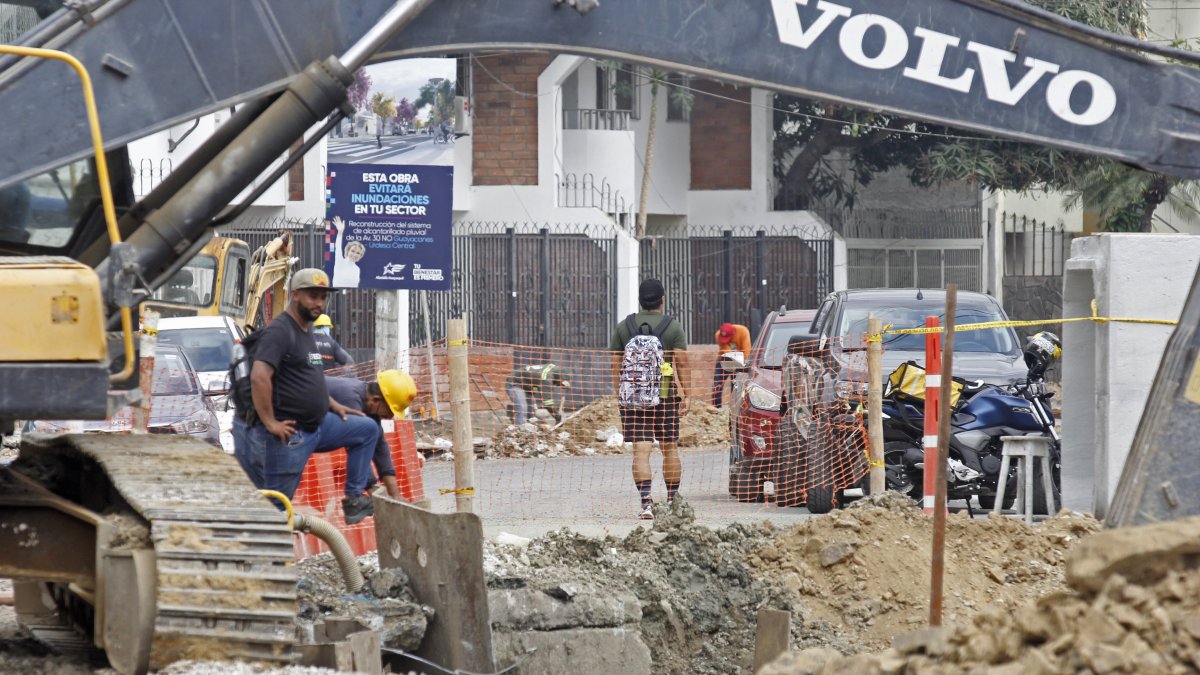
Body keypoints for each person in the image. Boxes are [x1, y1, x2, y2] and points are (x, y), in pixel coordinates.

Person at [235, 268, 381, 524]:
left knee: (367, 429)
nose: (319, 303)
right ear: (295, 295)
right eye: (313, 296)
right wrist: (270, 422)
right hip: (289, 434)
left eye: (323, 297)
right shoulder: (281, 331)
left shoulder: (306, 331)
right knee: (276, 506)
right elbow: (259, 376)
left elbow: (312, 378)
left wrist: (334, 405)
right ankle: (264, 541)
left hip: (318, 425)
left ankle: (354, 499)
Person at [609, 278, 692, 520]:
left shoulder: (624, 327)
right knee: (669, 448)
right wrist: (687, 394)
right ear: (662, 300)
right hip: (665, 397)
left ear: (640, 301)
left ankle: (646, 504)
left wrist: (620, 394)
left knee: (641, 450)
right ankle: (672, 501)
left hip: (634, 398)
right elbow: (681, 363)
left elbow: (615, 364)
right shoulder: (672, 327)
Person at [325, 371, 419, 501]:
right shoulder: (350, 398)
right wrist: (375, 494)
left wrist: (396, 496)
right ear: (376, 400)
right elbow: (357, 447)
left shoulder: (368, 402)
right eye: (390, 410)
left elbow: (380, 447)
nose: (391, 416)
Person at [505, 363, 571, 426]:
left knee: (531, 411)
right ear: (559, 377)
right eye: (560, 384)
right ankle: (519, 429)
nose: (559, 386)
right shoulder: (546, 379)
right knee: (522, 407)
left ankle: (530, 428)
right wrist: (558, 417)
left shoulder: (553, 369)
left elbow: (535, 381)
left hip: (526, 386)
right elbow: (547, 404)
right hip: (514, 383)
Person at [712, 322, 751, 407]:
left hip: (740, 361)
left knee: (736, 386)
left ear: (733, 334)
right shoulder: (718, 334)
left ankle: (734, 407)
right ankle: (716, 408)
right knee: (717, 384)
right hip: (724, 359)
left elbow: (746, 350)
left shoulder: (743, 331)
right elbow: (726, 351)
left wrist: (742, 364)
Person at [329, 215, 365, 288]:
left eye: (358, 253)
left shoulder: (357, 269)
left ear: (360, 256)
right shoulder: (340, 262)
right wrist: (340, 233)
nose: (354, 254)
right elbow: (338, 248)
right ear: (348, 251)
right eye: (353, 251)